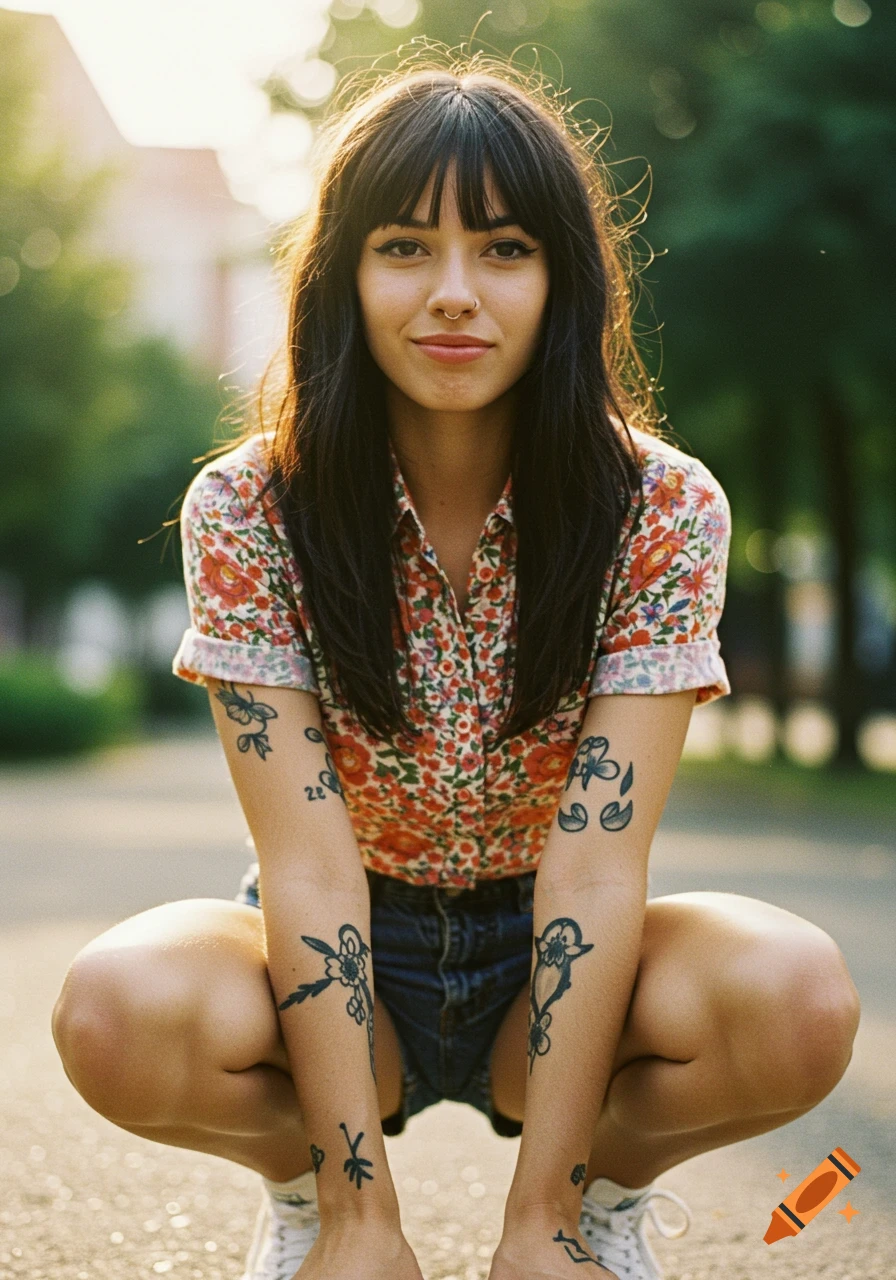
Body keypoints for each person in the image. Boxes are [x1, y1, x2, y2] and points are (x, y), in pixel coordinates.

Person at [50, 53, 861, 1280]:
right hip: (341, 940)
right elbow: (306, 863)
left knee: (794, 999)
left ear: (562, 276)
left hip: (552, 935)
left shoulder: (661, 505)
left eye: (503, 249)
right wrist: (355, 1217)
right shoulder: (247, 506)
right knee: (114, 1010)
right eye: (403, 247)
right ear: (341, 271)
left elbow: (597, 863)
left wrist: (540, 1220)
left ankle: (595, 1199)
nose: (452, 295)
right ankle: (306, 1189)